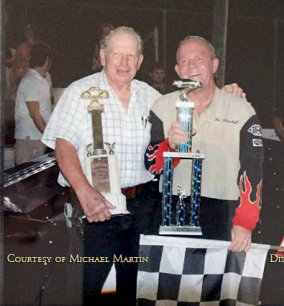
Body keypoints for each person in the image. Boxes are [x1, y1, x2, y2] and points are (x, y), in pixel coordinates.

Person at [42, 27, 245, 304]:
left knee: (137, 289)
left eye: (131, 55)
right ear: (103, 56)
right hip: (95, 207)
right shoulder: (79, 92)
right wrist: (84, 192)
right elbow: (63, 147)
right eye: (117, 54)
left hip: (143, 208)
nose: (124, 63)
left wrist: (226, 92)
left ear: (139, 61)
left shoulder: (151, 97)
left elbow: (193, 106)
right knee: (91, 288)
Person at [144, 36, 264, 252]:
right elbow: (152, 165)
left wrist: (245, 222)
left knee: (217, 284)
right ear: (177, 70)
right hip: (174, 207)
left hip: (223, 212)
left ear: (214, 65)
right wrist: (169, 146)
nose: (191, 67)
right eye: (184, 61)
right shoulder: (161, 107)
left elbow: (253, 169)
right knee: (172, 283)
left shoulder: (241, 110)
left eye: (199, 59)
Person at [14, 41, 52, 165]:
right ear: (47, 60)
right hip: (29, 139)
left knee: (35, 182)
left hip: (37, 137)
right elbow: (34, 114)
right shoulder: (31, 81)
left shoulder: (40, 80)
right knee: (25, 182)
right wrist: (50, 137)